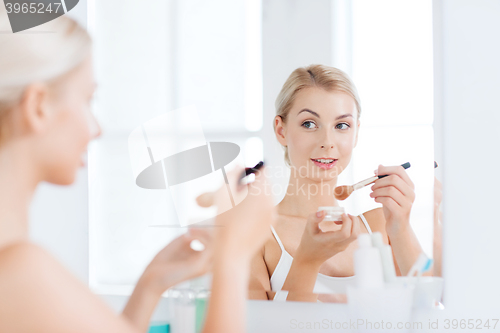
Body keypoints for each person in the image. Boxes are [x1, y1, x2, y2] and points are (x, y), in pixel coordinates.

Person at [0, 9, 276, 333]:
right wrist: (234, 254)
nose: (96, 128)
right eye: (88, 100)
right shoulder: (20, 271)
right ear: (38, 106)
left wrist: (150, 286)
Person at [249, 64, 432, 302]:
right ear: (281, 130)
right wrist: (307, 261)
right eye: (309, 124)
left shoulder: (380, 226)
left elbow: (431, 310)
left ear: (355, 133)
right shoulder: (253, 236)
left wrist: (401, 227)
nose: (327, 141)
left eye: (341, 126)